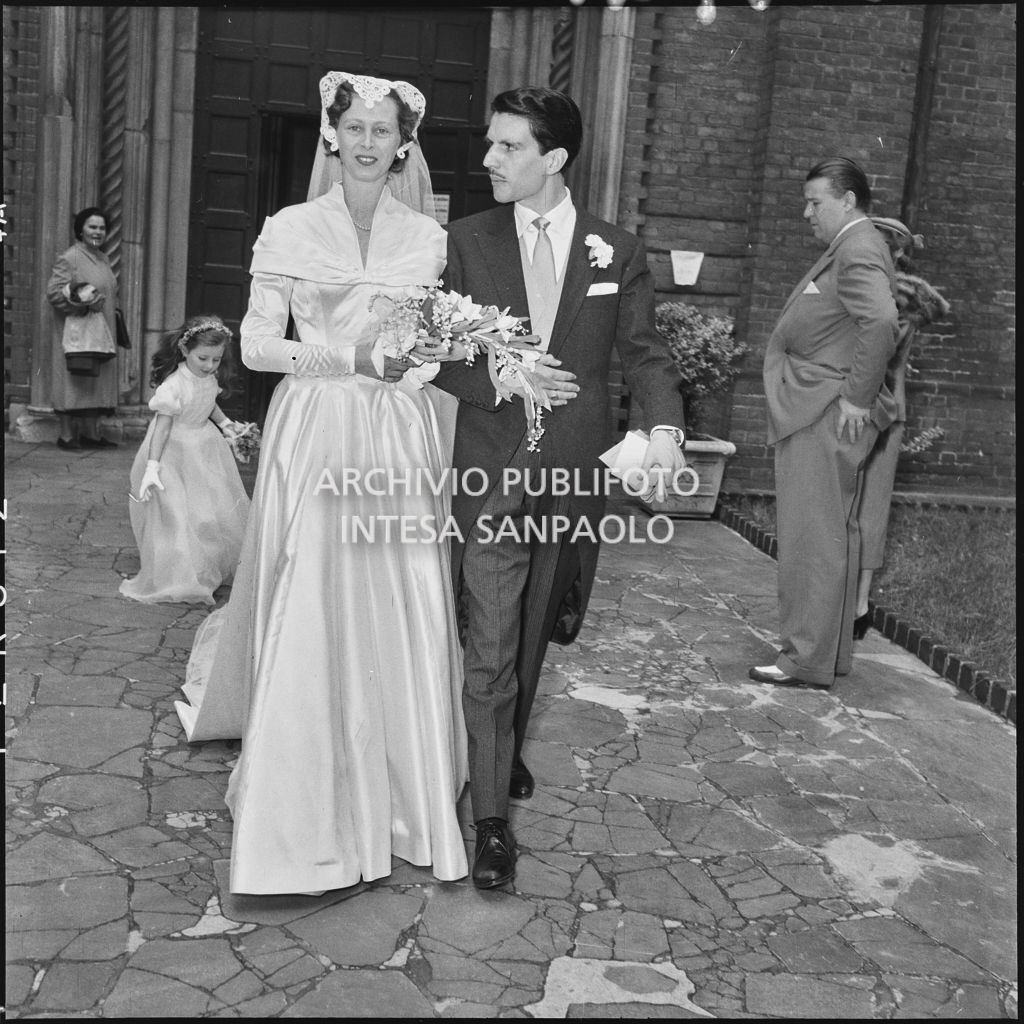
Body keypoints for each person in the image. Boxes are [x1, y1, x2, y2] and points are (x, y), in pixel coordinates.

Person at [174, 72, 471, 895]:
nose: (371, 142)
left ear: (404, 142)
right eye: (357, 128)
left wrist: (418, 364)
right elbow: (259, 347)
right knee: (314, 589)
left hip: (398, 432)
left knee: (396, 594)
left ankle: (403, 797)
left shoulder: (427, 239)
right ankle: (298, 807)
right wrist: (351, 359)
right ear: (331, 136)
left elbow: (430, 344)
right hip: (316, 426)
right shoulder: (289, 227)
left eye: (385, 130)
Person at [422, 86, 687, 890]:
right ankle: (492, 823)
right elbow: (433, 353)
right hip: (492, 474)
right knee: (493, 644)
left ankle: (498, 753)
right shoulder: (466, 240)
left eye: (508, 147)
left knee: (540, 631)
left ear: (554, 158)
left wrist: (666, 430)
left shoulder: (617, 249)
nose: (489, 159)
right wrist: (504, 373)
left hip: (575, 479)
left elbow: (643, 356)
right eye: (491, 144)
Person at [751, 157, 899, 691]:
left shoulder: (858, 247)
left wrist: (857, 399)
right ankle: (824, 655)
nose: (806, 212)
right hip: (821, 406)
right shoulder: (854, 246)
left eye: (816, 202)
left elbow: (881, 322)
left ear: (849, 200)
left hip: (824, 410)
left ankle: (802, 659)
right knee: (833, 532)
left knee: (812, 536)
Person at [853, 216, 950, 639]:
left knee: (860, 506)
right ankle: (858, 604)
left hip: (869, 408)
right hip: (891, 407)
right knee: (869, 506)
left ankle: (854, 605)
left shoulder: (881, 297)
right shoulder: (910, 298)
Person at [119, 315, 250, 606]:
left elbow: (208, 402)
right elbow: (163, 427)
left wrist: (227, 425)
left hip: (204, 446)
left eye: (216, 360)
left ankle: (206, 566)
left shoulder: (208, 378)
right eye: (203, 358)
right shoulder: (173, 385)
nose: (209, 366)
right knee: (177, 512)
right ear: (185, 351)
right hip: (172, 451)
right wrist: (153, 466)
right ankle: (180, 573)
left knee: (207, 509)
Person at [46, 207, 122, 450]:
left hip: (100, 330)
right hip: (76, 330)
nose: (98, 232)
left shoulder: (102, 257)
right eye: (92, 227)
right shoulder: (71, 257)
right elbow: (55, 293)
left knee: (96, 381)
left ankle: (91, 433)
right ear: (81, 229)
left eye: (102, 228)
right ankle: (66, 435)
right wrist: (84, 305)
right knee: (71, 380)